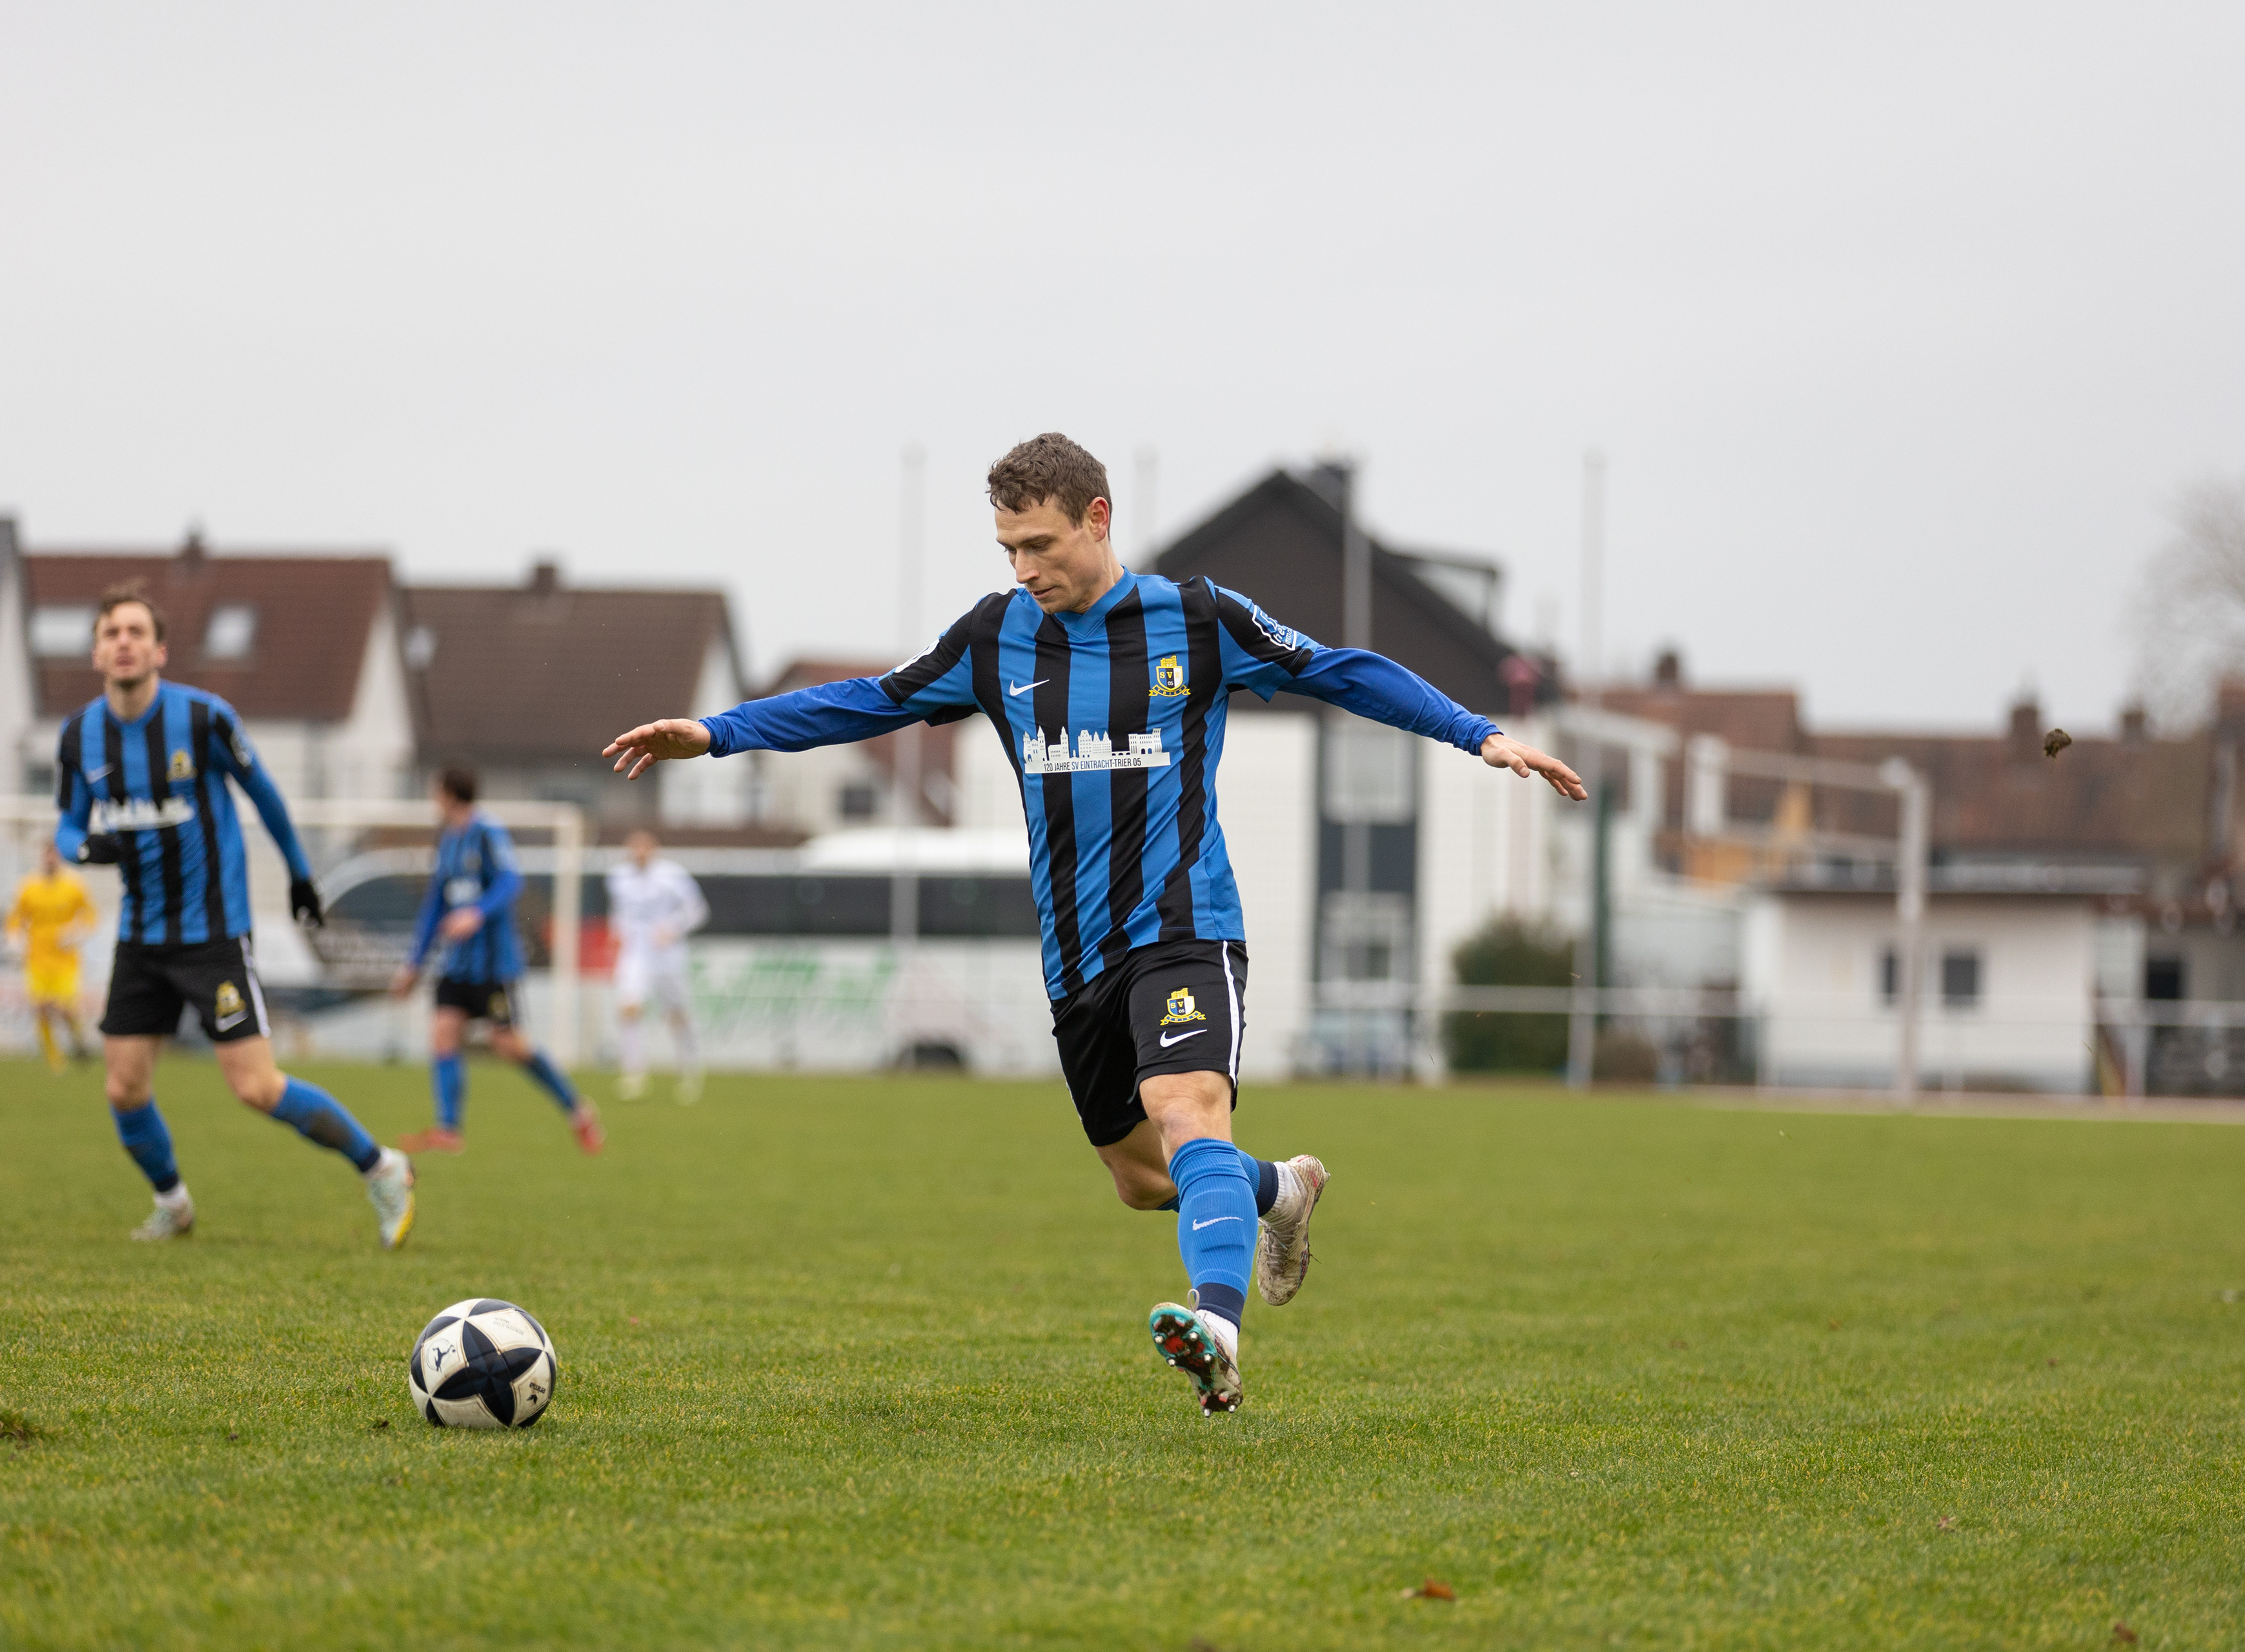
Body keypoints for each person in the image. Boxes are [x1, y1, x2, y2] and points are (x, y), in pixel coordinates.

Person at [606, 432, 1587, 1414]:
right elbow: (871, 702)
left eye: (1040, 544)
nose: (1025, 569)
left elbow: (1341, 671)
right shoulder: (995, 641)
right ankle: (1278, 1192)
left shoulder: (1198, 621)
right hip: (1076, 958)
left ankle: (1217, 1330)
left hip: (1184, 926)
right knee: (1139, 1176)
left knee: (1187, 1111)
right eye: (1008, 551)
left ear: (1098, 519)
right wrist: (717, 732)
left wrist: (1483, 735)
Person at [54, 582, 414, 1246]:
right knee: (124, 1087)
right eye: (112, 633)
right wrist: (84, 846)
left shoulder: (203, 719)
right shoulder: (81, 736)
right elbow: (67, 826)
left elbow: (265, 795)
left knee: (255, 1085)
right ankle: (175, 1203)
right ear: (97, 652)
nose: (124, 642)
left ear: (160, 649)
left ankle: (383, 1166)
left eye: (136, 631)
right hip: (140, 938)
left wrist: (302, 876)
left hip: (213, 935)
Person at [392, 768, 605, 1156]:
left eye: (434, 790)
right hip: (455, 964)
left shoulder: (488, 833)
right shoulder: (445, 840)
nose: (432, 798)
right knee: (443, 1033)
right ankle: (449, 1129)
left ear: (448, 793)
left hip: (492, 967)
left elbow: (511, 881)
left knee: (510, 1046)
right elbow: (435, 906)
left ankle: (577, 1109)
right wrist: (413, 963)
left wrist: (476, 912)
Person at [606, 829, 709, 1103]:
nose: (638, 854)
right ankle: (634, 1073)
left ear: (654, 850)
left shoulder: (672, 875)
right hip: (635, 953)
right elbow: (619, 913)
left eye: (644, 848)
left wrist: (673, 929)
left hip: (668, 954)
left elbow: (698, 910)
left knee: (677, 1014)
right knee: (629, 1007)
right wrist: (616, 940)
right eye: (634, 848)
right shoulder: (618, 877)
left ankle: (690, 1070)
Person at [6, 838, 97, 1073]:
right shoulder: (28, 887)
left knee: (66, 1008)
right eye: (47, 854)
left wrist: (76, 932)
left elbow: (90, 916)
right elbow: (15, 918)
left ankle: (78, 1043)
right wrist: (15, 939)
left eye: (54, 854)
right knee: (41, 1008)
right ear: (41, 856)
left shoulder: (74, 886)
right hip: (37, 959)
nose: (50, 859)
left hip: (66, 960)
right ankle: (55, 1061)